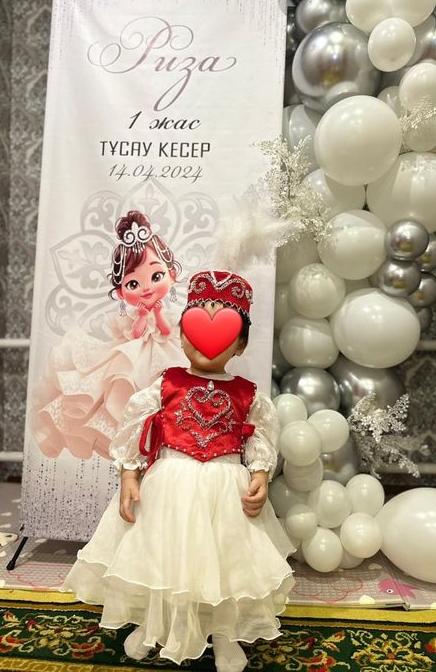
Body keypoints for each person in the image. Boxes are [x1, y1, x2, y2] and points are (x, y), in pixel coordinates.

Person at [62, 270, 295, 671]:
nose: (206, 340)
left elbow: (259, 437)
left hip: (226, 488)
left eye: (225, 331)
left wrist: (259, 475)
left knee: (225, 562)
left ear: (240, 344)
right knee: (160, 555)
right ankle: (154, 624)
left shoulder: (248, 394)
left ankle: (223, 633)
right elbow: (135, 427)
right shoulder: (166, 384)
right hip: (169, 484)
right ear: (184, 335)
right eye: (195, 328)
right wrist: (130, 475)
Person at [33, 210, 184, 460]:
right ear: (122, 292)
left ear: (172, 274)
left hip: (165, 354)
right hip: (133, 358)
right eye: (133, 283)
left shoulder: (167, 311)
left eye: (156, 276)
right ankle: (138, 452)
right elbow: (136, 334)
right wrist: (143, 316)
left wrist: (157, 314)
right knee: (126, 392)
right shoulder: (135, 313)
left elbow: (166, 331)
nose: (146, 288)